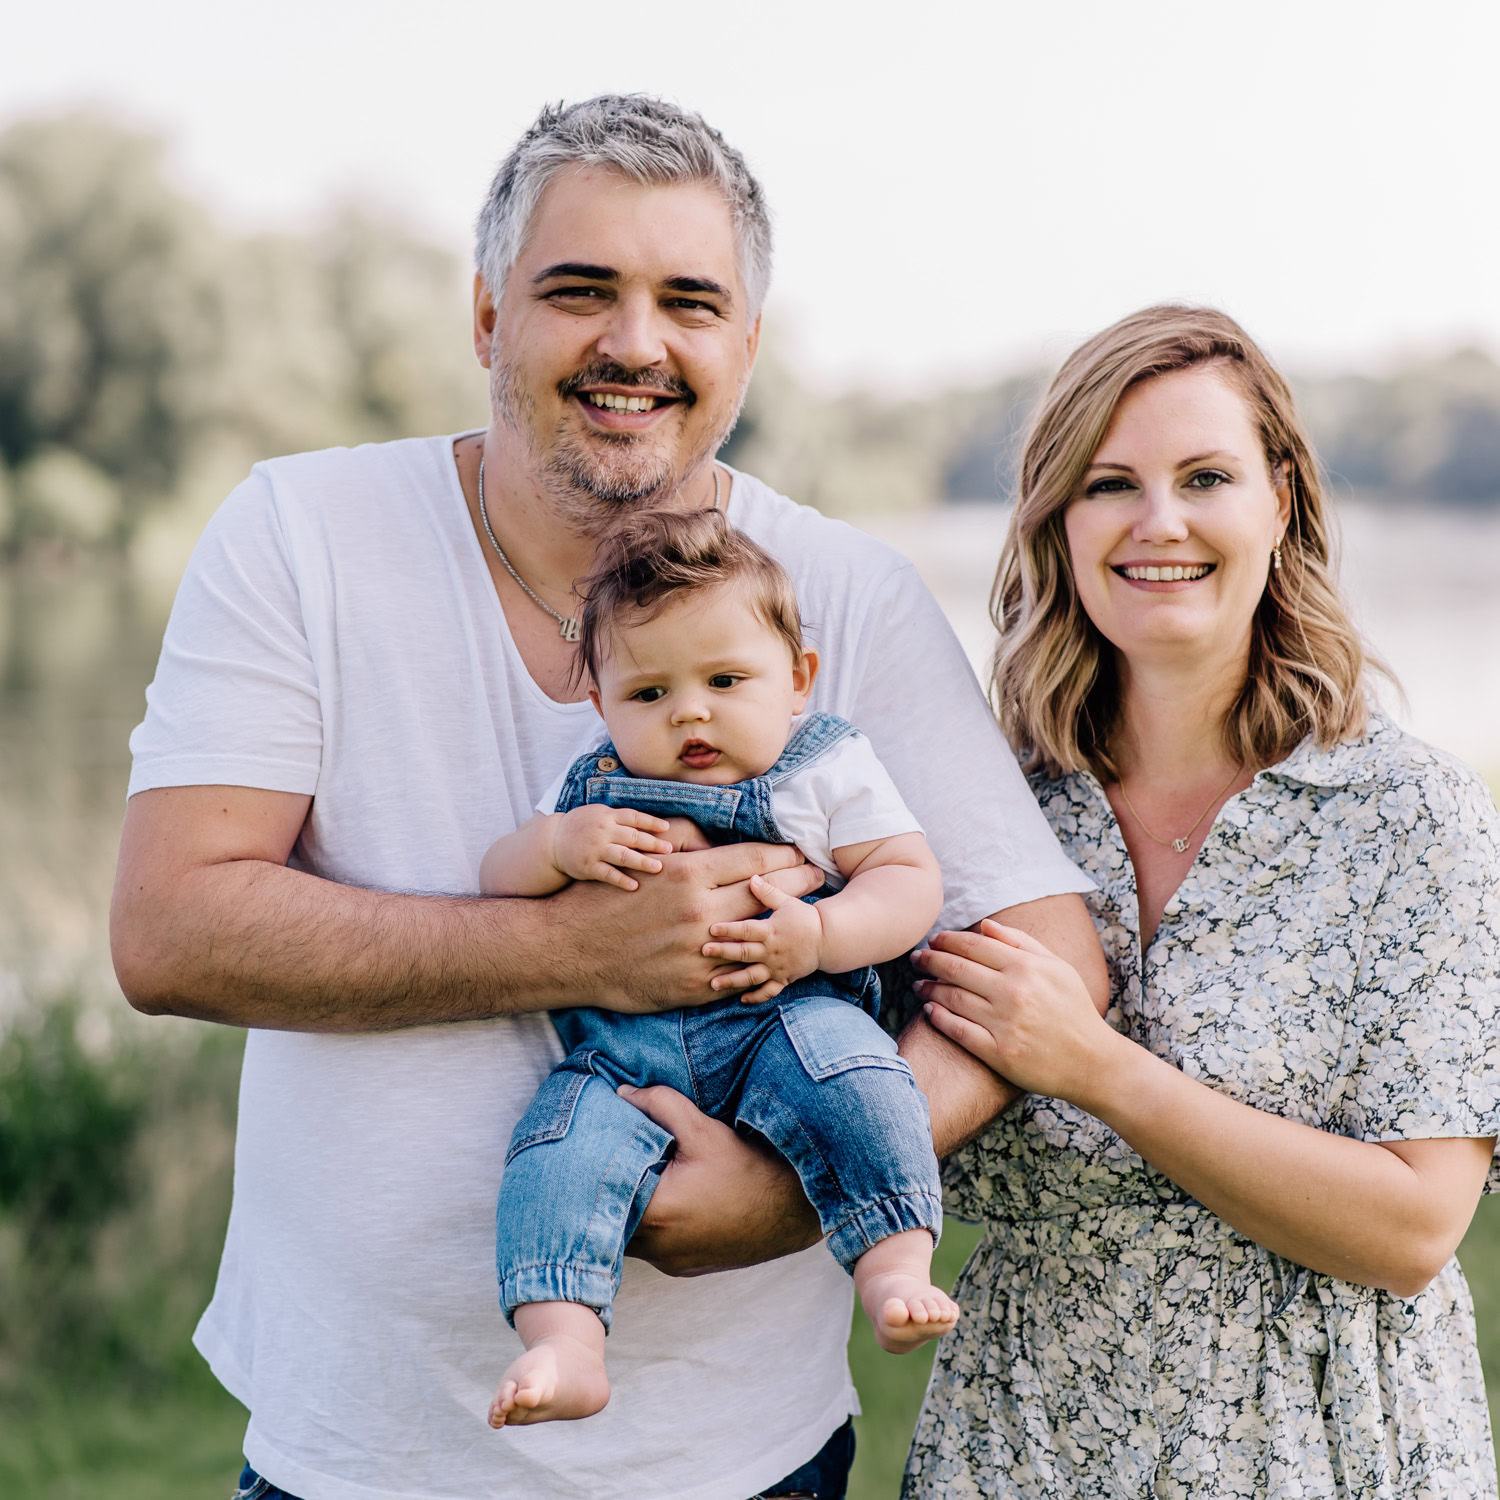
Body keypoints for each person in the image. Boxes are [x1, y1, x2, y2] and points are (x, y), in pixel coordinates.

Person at [110, 96, 1104, 1500]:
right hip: (359, 1453)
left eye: (689, 301)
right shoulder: (302, 536)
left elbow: (1045, 959)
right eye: (580, 290)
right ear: (485, 316)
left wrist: (784, 1193)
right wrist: (578, 949)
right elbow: (170, 930)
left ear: (745, 346)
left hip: (737, 1458)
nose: (636, 341)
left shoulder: (848, 598)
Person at [903, 304, 1500, 1499]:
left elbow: (1414, 1228)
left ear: (1281, 503)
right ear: (1058, 524)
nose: (1158, 522)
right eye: (1109, 483)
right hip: (1024, 1443)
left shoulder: (1407, 818)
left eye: (1205, 476)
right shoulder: (983, 810)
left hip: (1327, 1445)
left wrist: (1097, 1065)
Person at [484, 508, 959, 1429]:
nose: (690, 711)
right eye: (649, 694)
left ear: (798, 682)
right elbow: (497, 880)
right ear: (603, 708)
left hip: (790, 1016)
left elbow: (908, 879)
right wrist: (557, 845)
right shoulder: (590, 787)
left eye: (726, 680)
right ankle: (565, 1339)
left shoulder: (823, 768)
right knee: (554, 1152)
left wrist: (822, 937)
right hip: (625, 1061)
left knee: (862, 1081)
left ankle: (895, 1265)